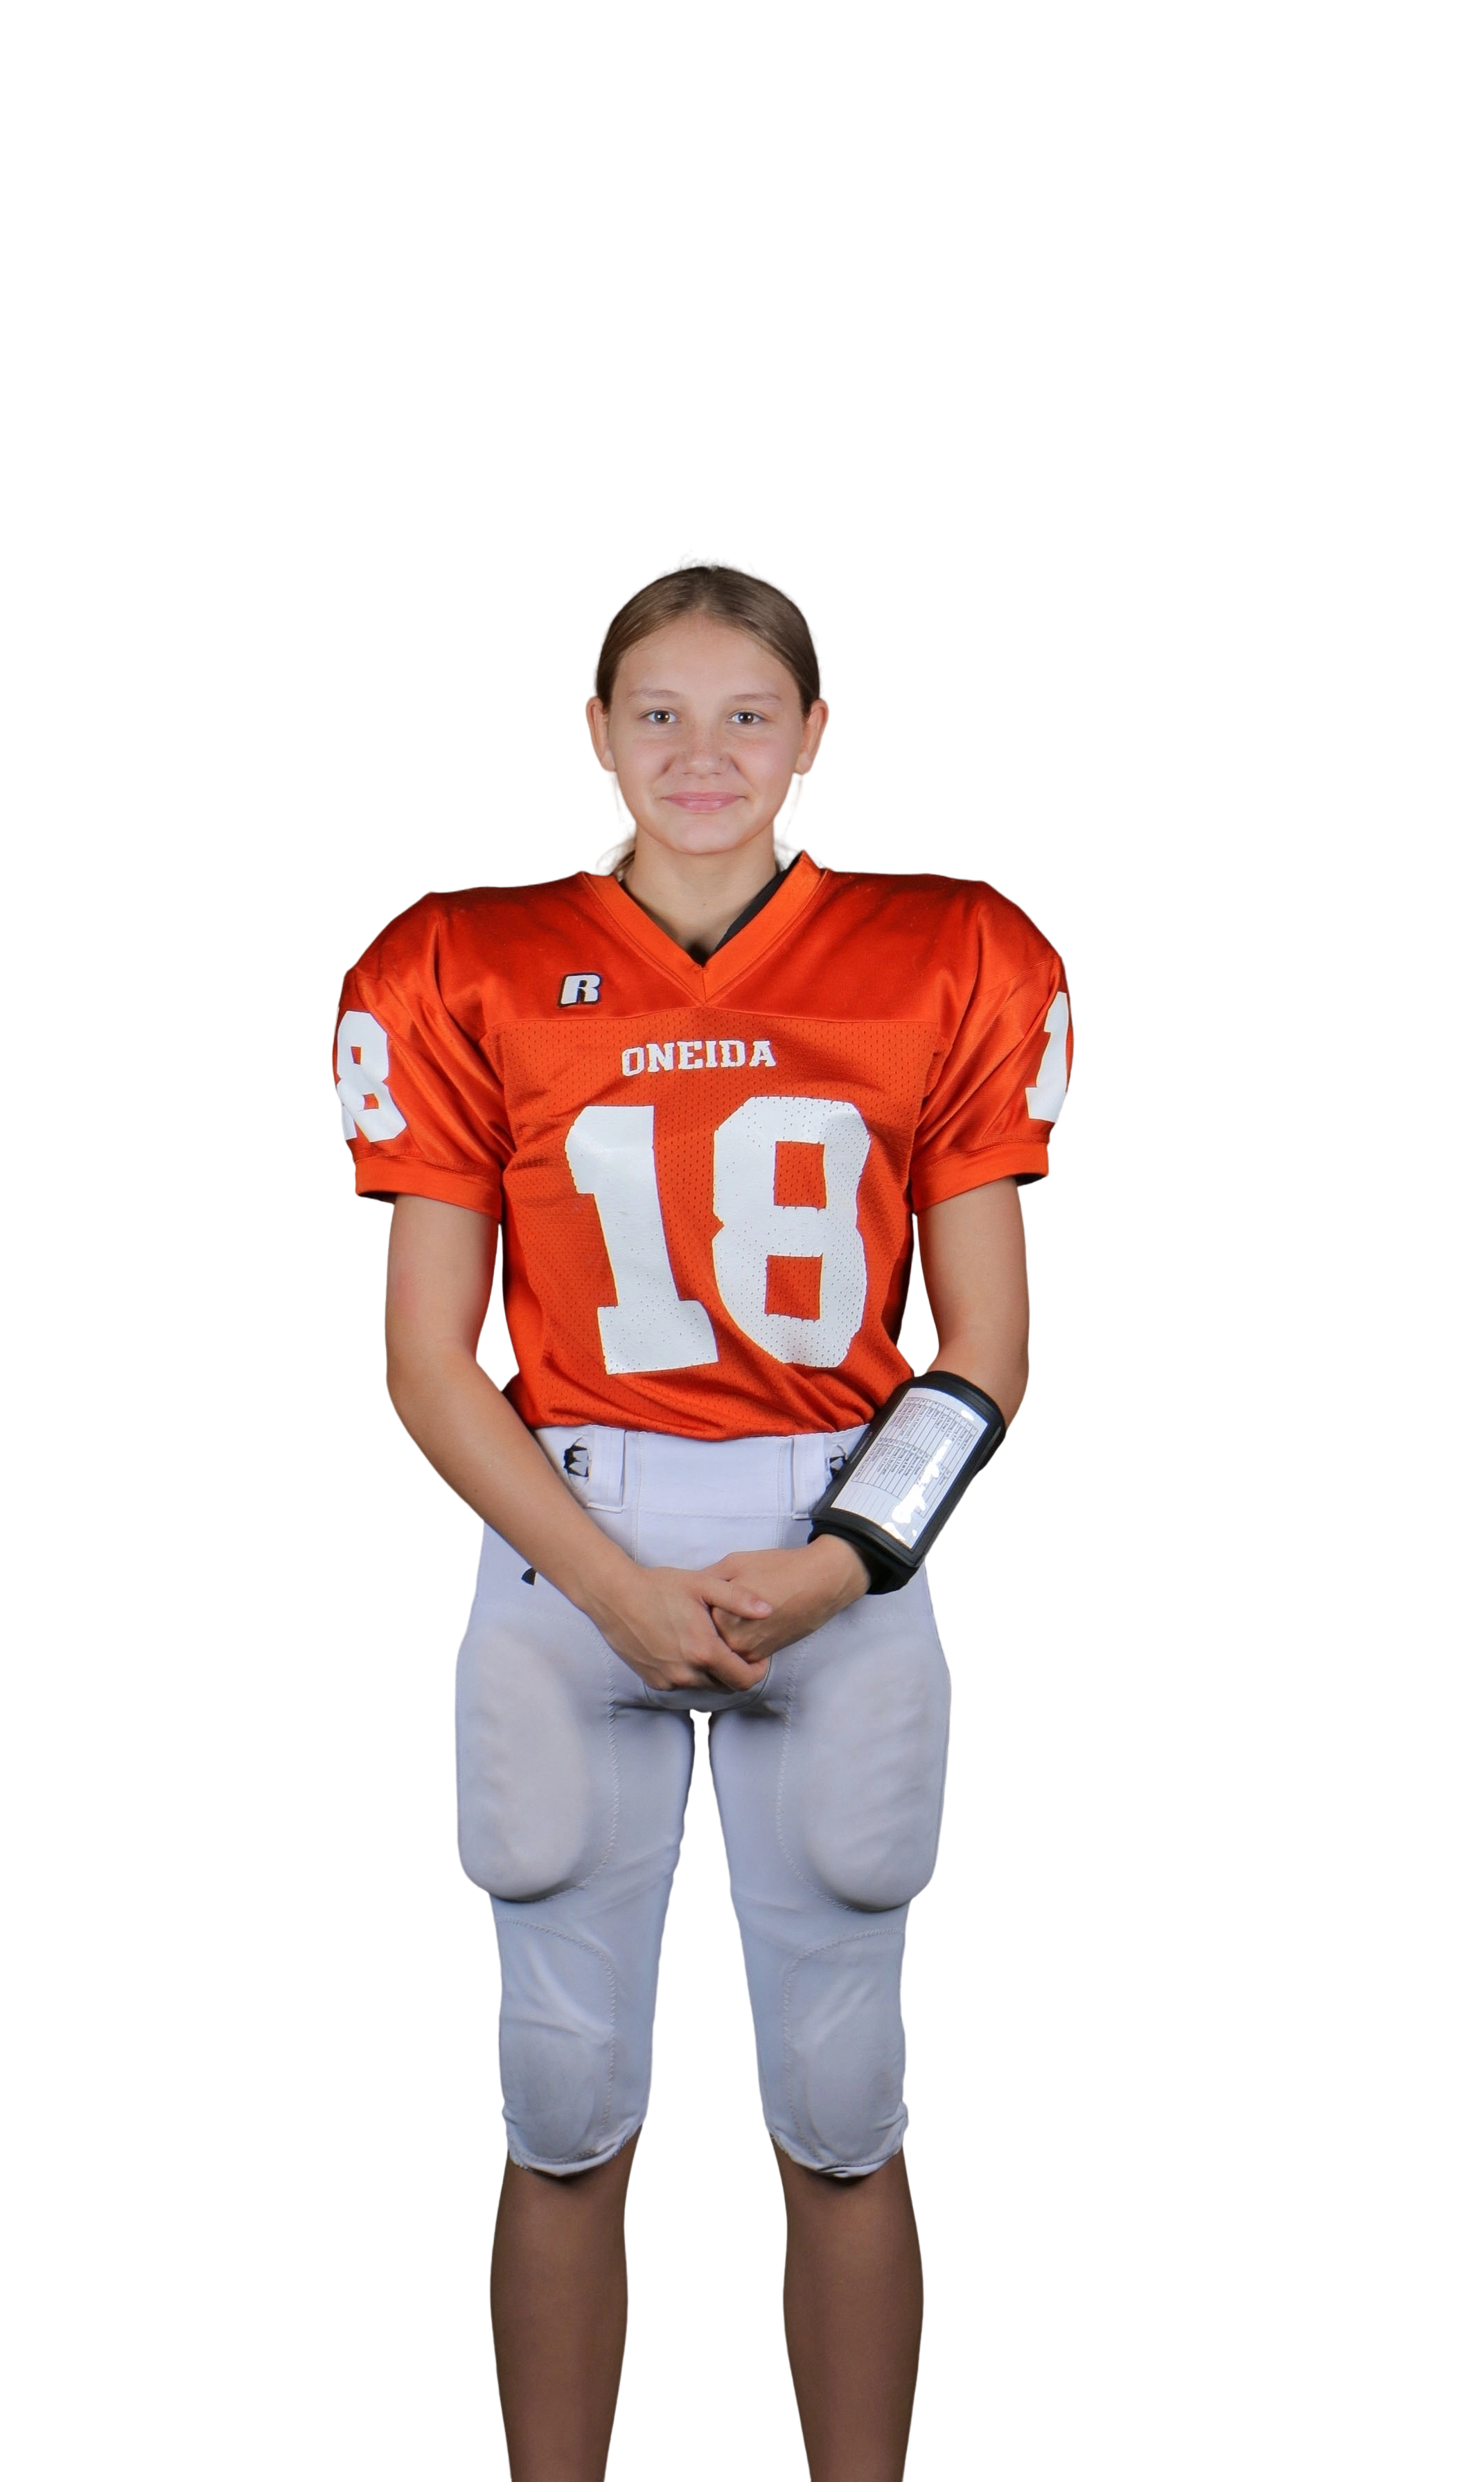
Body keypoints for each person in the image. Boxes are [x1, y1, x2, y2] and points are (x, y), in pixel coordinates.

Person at [331, 549, 1074, 2481]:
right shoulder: (461, 961)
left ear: (816, 735)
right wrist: (615, 1589)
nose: (702, 752)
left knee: (842, 2099)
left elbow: (988, 1350)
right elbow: (429, 1362)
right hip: (574, 1530)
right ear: (595, 733)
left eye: (748, 713)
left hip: (835, 1539)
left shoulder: (954, 949)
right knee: (562, 2099)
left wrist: (836, 1564)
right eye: (658, 712)